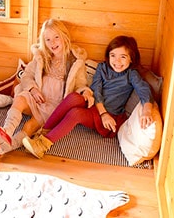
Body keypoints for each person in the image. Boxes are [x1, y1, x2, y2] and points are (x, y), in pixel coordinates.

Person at [23, 35, 154, 159]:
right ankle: (43, 133)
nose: (117, 61)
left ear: (132, 58)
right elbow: (95, 90)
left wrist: (147, 110)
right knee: (74, 97)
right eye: (113, 55)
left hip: (109, 118)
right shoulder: (103, 67)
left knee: (76, 114)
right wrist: (101, 111)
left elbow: (144, 89)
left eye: (123, 57)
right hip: (96, 106)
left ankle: (42, 146)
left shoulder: (131, 74)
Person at [0, 19, 94, 161]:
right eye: (48, 39)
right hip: (37, 97)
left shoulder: (75, 62)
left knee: (30, 127)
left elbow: (80, 85)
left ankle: (2, 148)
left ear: (64, 36)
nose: (52, 43)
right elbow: (26, 76)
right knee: (21, 98)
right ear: (43, 42)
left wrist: (86, 92)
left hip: (54, 106)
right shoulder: (41, 57)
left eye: (56, 37)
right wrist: (33, 89)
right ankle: (6, 131)